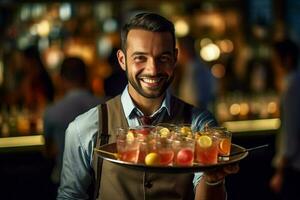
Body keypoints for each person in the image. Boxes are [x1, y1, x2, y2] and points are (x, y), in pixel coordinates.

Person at [57, 12, 239, 200]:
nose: (153, 69)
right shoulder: (84, 128)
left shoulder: (200, 125)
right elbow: (70, 196)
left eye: (163, 58)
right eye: (140, 58)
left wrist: (213, 180)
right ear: (122, 60)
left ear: (175, 58)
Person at [43, 57, 104, 192]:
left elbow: (48, 151)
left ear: (61, 79)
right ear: (87, 77)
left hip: (64, 181)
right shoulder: (107, 106)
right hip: (99, 184)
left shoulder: (52, 111)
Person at [269, 38, 300, 200]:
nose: (274, 65)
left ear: (286, 59)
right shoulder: (292, 83)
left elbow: (290, 131)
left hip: (293, 166)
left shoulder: (292, 87)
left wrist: (280, 172)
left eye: (275, 60)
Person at [176, 35, 217, 110]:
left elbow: (198, 100)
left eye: (177, 49)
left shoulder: (198, 71)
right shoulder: (190, 69)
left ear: (184, 49)